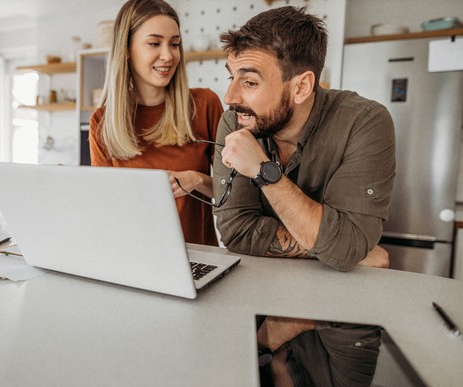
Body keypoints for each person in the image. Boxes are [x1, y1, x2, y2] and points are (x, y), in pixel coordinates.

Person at [212, 6, 396, 386]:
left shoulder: (365, 122)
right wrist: (342, 245)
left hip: (344, 318)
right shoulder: (237, 120)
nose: (229, 96)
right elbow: (237, 230)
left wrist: (265, 171)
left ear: (301, 86)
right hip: (263, 302)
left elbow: (346, 246)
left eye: (248, 82)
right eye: (230, 78)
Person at [89, 0, 223, 246]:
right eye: (154, 43)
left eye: (174, 44)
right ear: (127, 50)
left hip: (198, 259)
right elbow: (106, 209)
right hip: (132, 256)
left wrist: (197, 180)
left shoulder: (205, 105)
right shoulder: (102, 122)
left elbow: (237, 193)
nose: (168, 55)